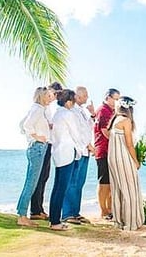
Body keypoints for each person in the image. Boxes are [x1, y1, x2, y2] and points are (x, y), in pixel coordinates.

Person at [107, 96, 144, 231]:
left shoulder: (114, 120)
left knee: (117, 189)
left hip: (112, 158)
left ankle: (119, 221)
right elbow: (129, 144)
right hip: (123, 158)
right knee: (130, 190)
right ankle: (131, 223)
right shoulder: (126, 120)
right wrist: (136, 161)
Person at [16, 87, 51, 227]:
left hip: (38, 147)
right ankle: (22, 216)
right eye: (48, 95)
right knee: (31, 183)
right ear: (42, 96)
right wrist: (36, 137)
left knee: (32, 182)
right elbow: (25, 125)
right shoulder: (37, 109)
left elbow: (21, 125)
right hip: (37, 147)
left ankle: (22, 213)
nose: (50, 98)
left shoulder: (38, 109)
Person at [48, 89, 81, 231]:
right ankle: (55, 222)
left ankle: (54, 219)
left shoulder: (57, 114)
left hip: (58, 153)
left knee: (57, 188)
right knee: (62, 188)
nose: (74, 104)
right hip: (67, 153)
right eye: (73, 101)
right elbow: (76, 134)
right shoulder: (68, 114)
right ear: (68, 102)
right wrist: (80, 149)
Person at [62, 86, 95, 224]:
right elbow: (77, 132)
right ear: (77, 96)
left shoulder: (82, 111)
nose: (87, 98)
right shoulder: (72, 111)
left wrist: (92, 114)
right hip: (78, 150)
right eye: (85, 95)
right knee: (73, 182)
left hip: (86, 151)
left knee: (80, 182)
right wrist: (87, 145)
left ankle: (75, 212)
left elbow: (89, 127)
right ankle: (68, 213)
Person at [30, 81, 62, 220]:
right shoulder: (40, 108)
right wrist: (38, 135)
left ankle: (39, 208)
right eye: (54, 94)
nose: (54, 97)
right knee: (38, 177)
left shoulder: (48, 107)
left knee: (44, 177)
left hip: (48, 144)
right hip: (42, 143)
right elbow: (27, 125)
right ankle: (35, 210)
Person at [94, 88, 120, 220]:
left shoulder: (113, 111)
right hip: (103, 151)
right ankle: (103, 210)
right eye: (115, 99)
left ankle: (109, 209)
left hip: (111, 151)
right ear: (108, 98)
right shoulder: (103, 111)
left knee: (111, 182)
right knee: (104, 182)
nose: (117, 102)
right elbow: (105, 131)